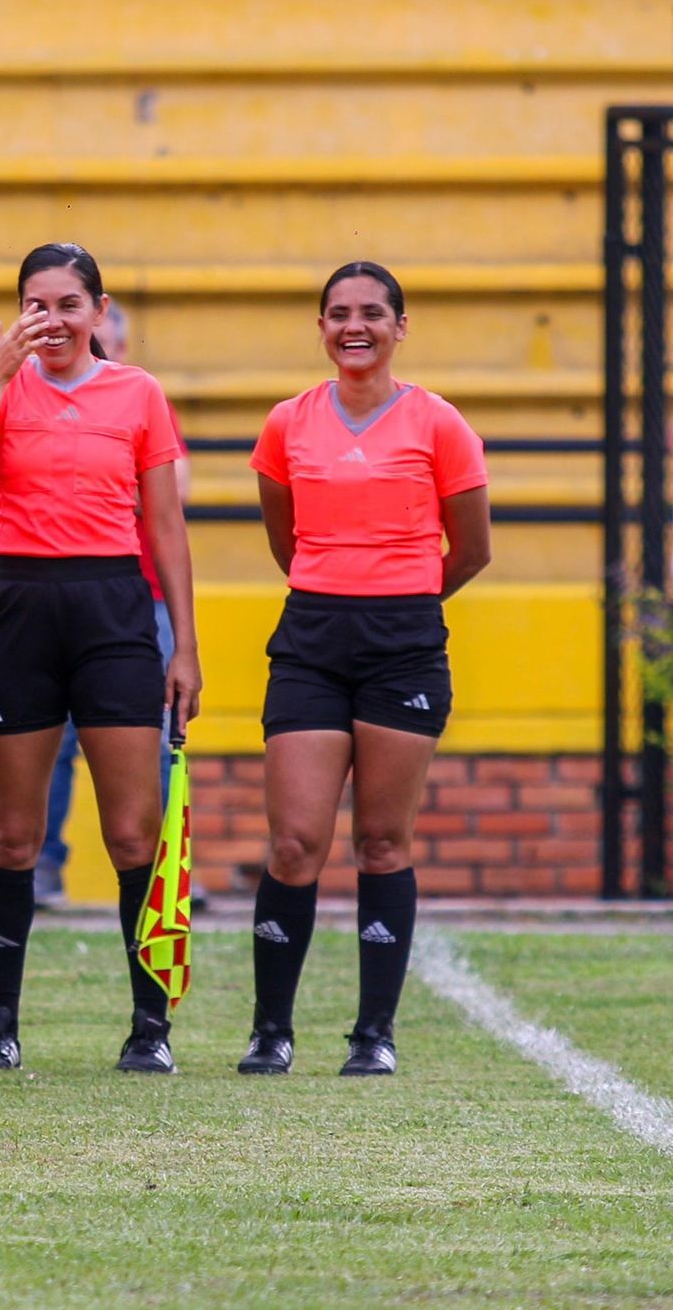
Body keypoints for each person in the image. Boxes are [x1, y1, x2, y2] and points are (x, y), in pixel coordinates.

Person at [0, 242, 201, 1075]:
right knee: (12, 834)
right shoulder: (2, 385)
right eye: (35, 304)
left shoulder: (139, 394)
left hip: (114, 611)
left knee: (134, 831)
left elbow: (164, 527)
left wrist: (183, 645)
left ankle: (149, 1026)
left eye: (67, 304)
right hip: (20, 605)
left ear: (98, 310)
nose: (51, 320)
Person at [239, 261, 489, 1077]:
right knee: (296, 841)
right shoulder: (288, 423)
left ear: (400, 326)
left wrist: (406, 597)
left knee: (382, 839)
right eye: (339, 312)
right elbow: (285, 536)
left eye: (373, 312)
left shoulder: (440, 423)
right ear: (320, 327)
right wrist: (335, 588)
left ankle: (372, 1034)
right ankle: (271, 1030)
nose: (356, 325)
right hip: (310, 635)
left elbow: (473, 546)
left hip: (403, 642)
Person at [33, 298, 200, 911]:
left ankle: (164, 865)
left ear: (123, 349)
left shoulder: (142, 396)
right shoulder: (32, 395)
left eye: (107, 339)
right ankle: (41, 870)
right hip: (58, 596)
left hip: (141, 595)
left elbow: (172, 491)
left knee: (155, 736)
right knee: (55, 740)